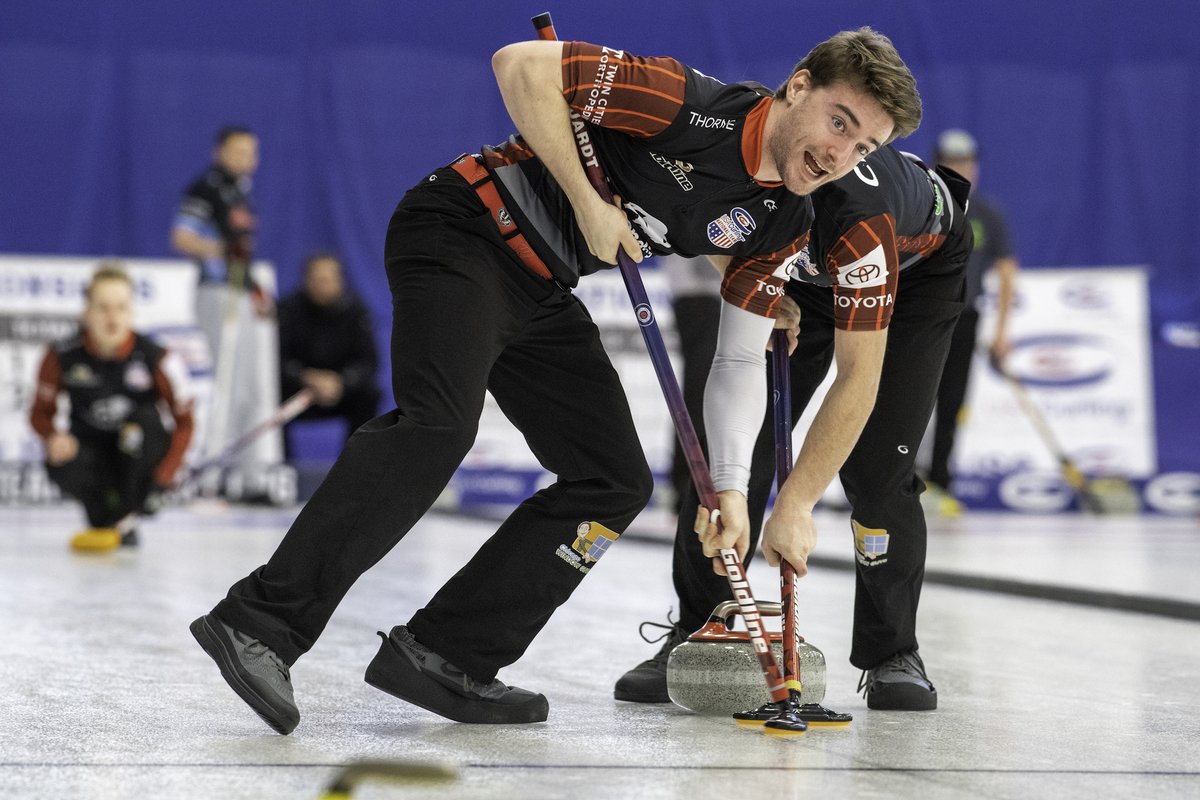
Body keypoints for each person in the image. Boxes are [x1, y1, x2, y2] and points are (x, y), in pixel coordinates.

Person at [189, 28, 920, 735]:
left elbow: (736, 361)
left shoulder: (782, 220)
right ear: (799, 87)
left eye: (865, 146)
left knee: (614, 480)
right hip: (466, 229)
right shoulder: (689, 103)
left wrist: (729, 487)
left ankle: (446, 654)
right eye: (839, 122)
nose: (840, 154)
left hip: (542, 287)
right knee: (439, 426)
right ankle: (259, 624)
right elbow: (520, 66)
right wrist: (587, 201)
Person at [615, 143, 973, 712]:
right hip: (804, 272)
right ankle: (698, 627)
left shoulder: (858, 214)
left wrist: (796, 503)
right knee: (734, 449)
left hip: (911, 277)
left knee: (879, 465)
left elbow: (859, 379)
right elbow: (707, 237)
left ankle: (892, 653)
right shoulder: (736, 160)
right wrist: (758, 283)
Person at [30, 264, 195, 550]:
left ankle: (130, 508)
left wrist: (165, 477)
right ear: (87, 312)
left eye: (121, 307)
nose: (112, 317)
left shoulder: (158, 359)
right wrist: (52, 437)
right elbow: (39, 414)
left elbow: (186, 422)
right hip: (90, 452)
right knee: (61, 459)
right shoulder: (60, 355)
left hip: (139, 453)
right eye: (103, 308)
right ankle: (107, 517)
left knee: (141, 425)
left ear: (131, 311)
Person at [170, 126, 280, 478]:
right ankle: (211, 473)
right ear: (220, 152)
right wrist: (219, 251)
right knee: (227, 382)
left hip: (239, 290)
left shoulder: (240, 193)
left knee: (250, 387)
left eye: (252, 152)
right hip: (217, 292)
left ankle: (249, 475)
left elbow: (243, 254)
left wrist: (254, 287)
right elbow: (182, 237)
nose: (247, 159)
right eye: (238, 151)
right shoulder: (206, 189)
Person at [924, 128, 1019, 514]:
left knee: (952, 401)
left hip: (966, 317)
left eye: (965, 162)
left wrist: (1001, 334)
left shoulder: (987, 214)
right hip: (923, 316)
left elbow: (1008, 272)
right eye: (951, 162)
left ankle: (940, 480)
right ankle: (893, 480)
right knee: (911, 398)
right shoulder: (924, 206)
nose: (960, 169)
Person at [277, 251, 381, 452]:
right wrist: (304, 377)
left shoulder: (356, 313)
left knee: (370, 395)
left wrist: (342, 382)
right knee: (268, 397)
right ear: (305, 280)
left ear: (340, 281)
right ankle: (280, 470)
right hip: (297, 391)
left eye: (327, 280)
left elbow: (369, 362)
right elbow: (274, 360)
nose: (321, 286)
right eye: (316, 280)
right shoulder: (288, 311)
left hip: (339, 391)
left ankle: (354, 469)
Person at [660, 254, 722, 513]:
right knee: (699, 394)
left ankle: (689, 484)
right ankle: (689, 486)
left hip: (701, 296)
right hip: (700, 297)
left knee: (702, 393)